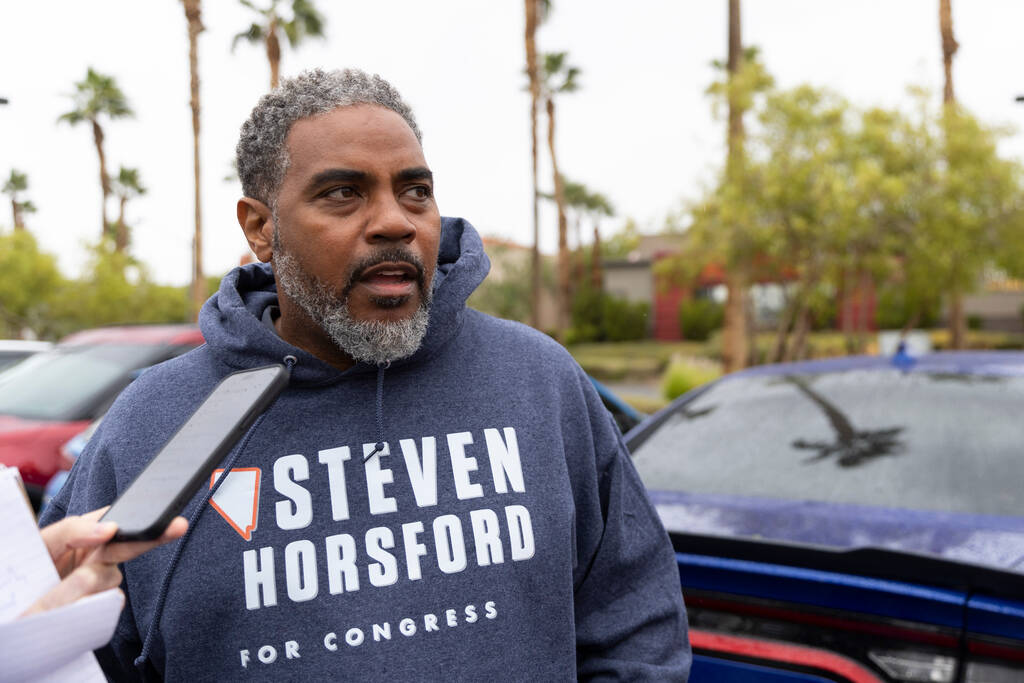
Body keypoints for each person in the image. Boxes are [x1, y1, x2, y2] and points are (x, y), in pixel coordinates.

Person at [42, 68, 691, 681]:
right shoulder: (152, 423)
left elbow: (635, 620)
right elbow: (75, 654)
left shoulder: (539, 381)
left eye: (415, 190)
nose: (394, 221)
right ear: (261, 228)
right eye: (343, 193)